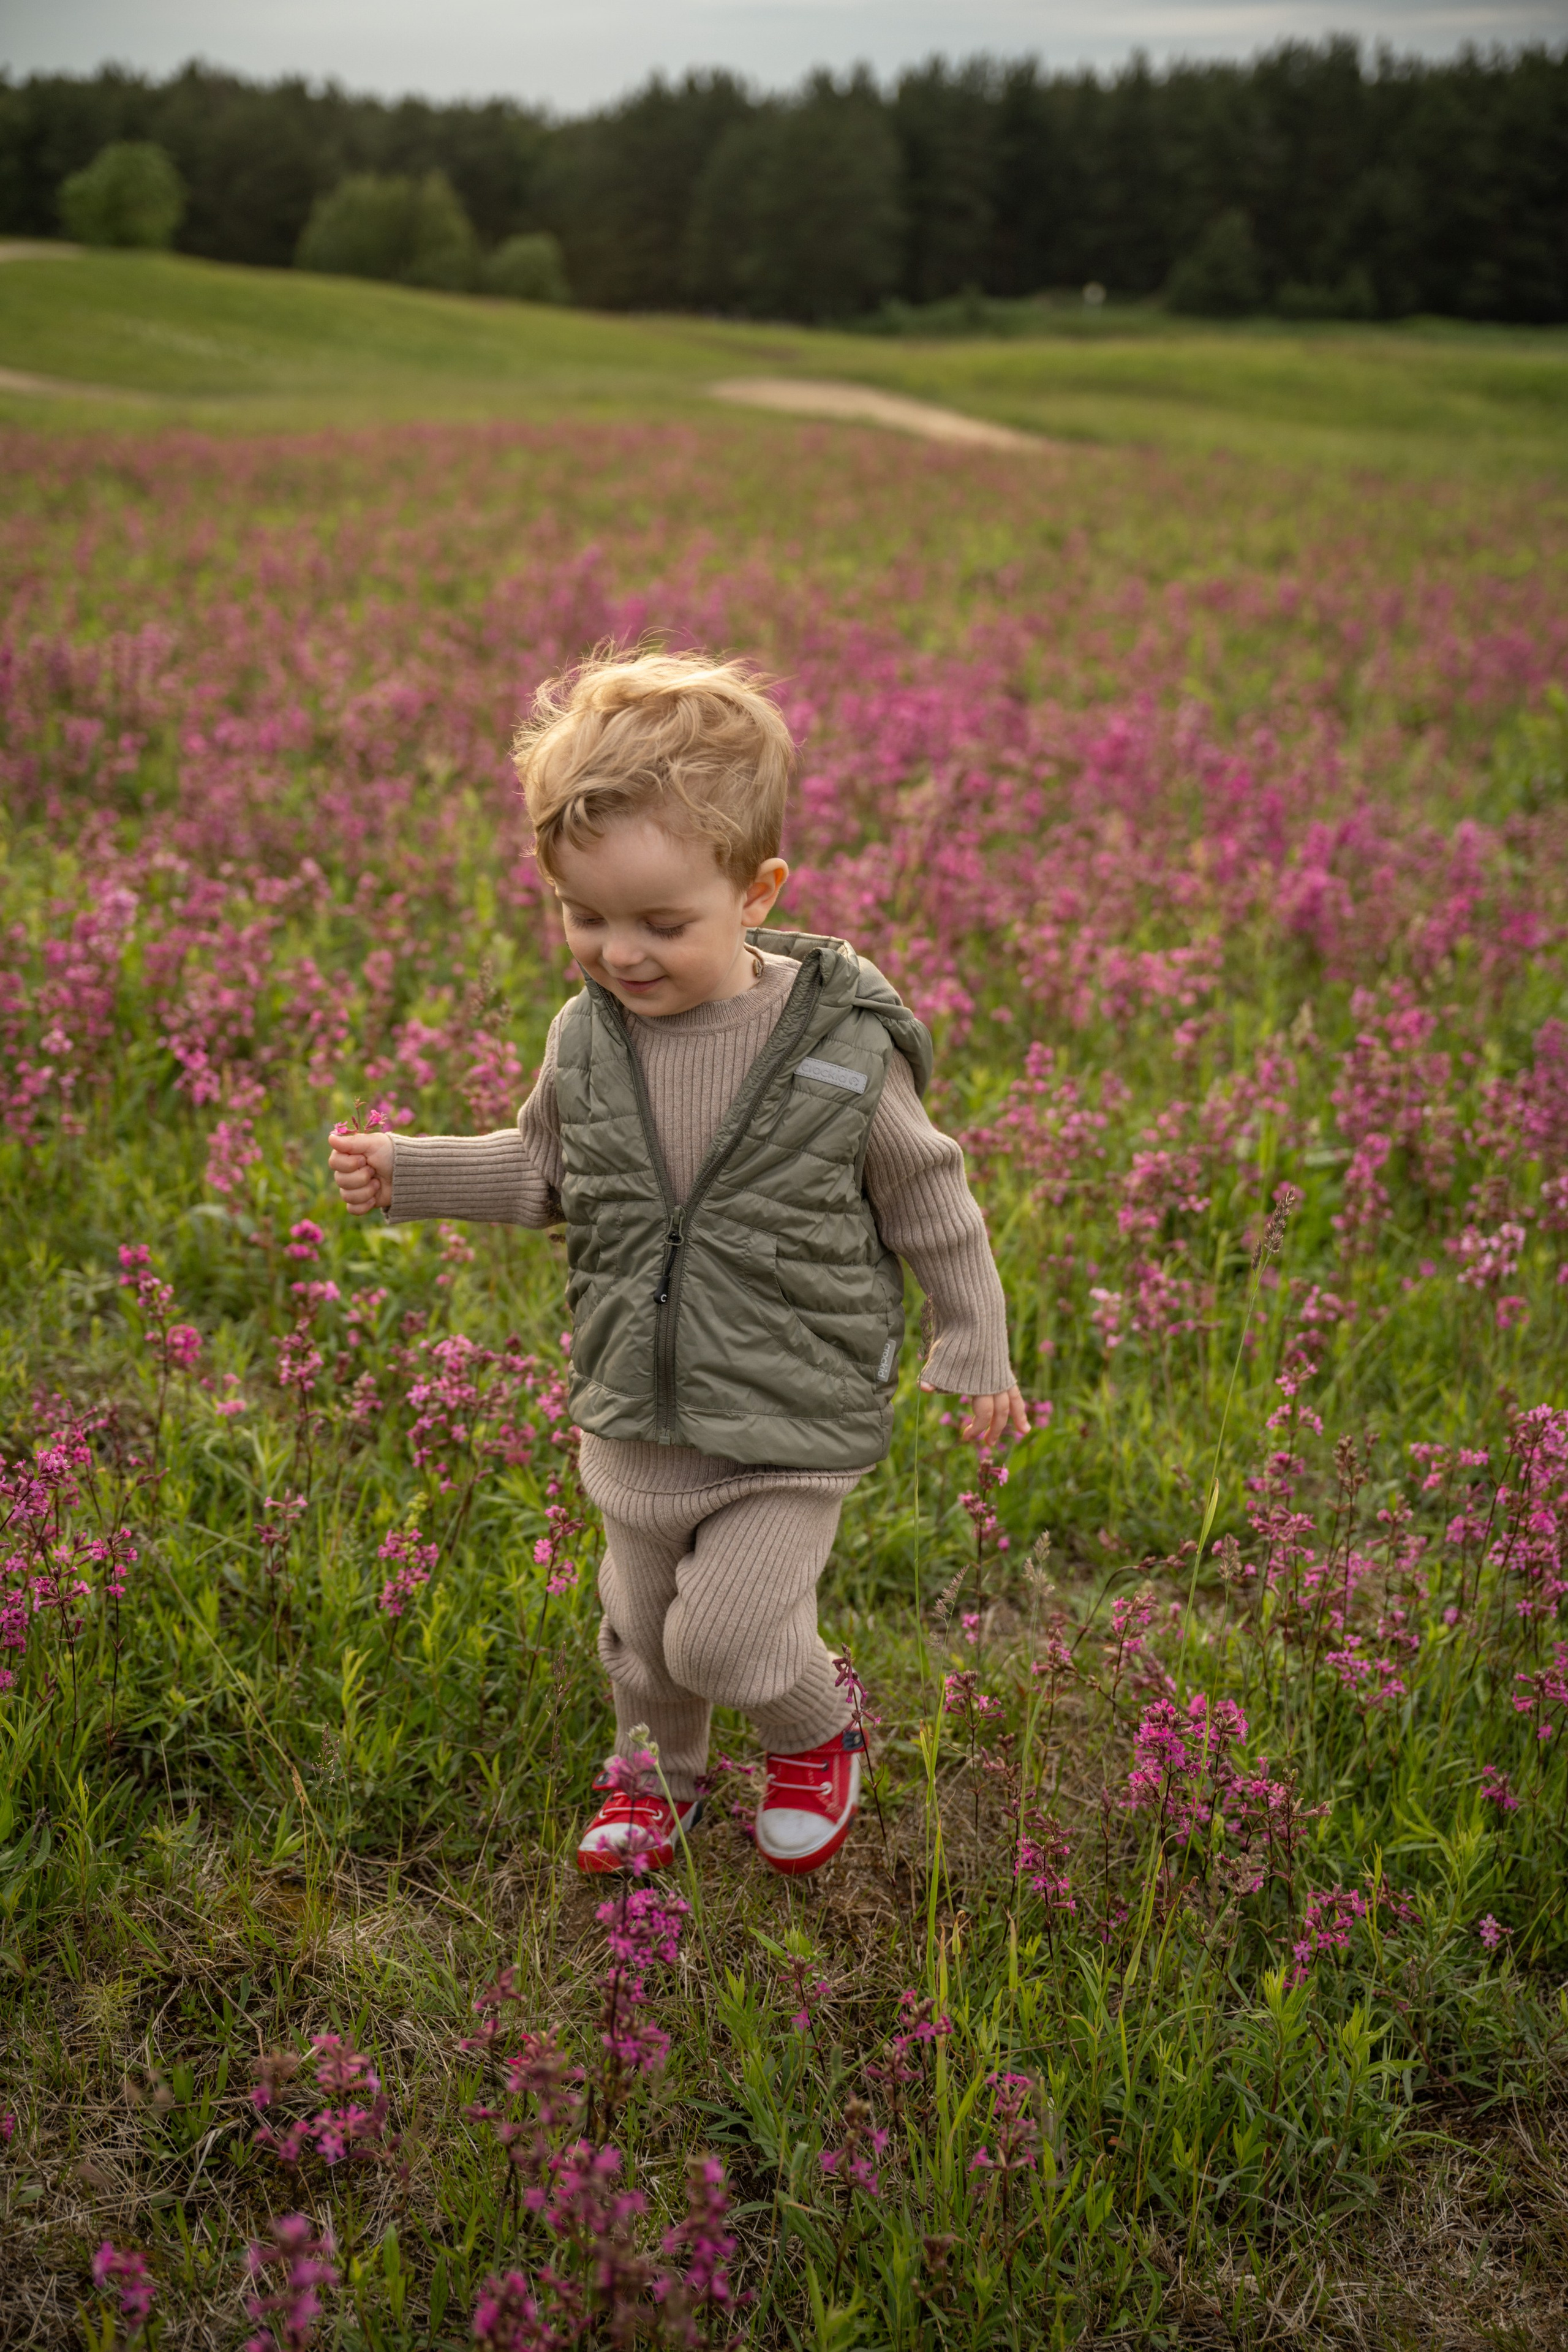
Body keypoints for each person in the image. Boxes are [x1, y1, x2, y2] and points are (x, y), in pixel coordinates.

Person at [329, 650, 1024, 1876]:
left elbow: (931, 1201)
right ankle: (657, 1779)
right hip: (632, 1411)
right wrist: (414, 1170)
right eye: (582, 916)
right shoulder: (586, 1037)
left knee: (729, 1641)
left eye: (661, 923)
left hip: (786, 1422)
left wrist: (972, 1349)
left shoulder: (835, 1051)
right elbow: (547, 1173)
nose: (618, 952)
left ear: (755, 893)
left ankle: (813, 1730)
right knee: (642, 1641)